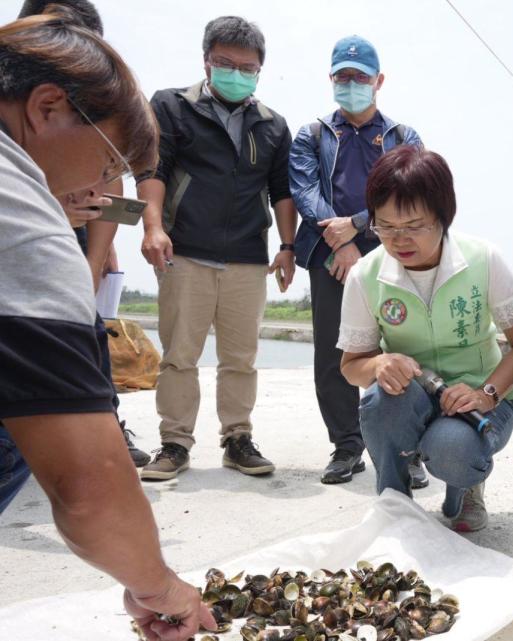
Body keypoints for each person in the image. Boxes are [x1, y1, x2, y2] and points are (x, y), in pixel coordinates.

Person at [0, 8, 214, 639]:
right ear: (47, 108)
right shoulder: (25, 219)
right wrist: (161, 587)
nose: (104, 186)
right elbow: (89, 494)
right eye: (107, 160)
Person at [338, 145, 513, 531]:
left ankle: (465, 489)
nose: (399, 240)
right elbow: (351, 368)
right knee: (380, 399)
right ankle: (394, 502)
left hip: (479, 402)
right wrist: (378, 363)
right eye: (386, 227)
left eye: (414, 226)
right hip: (412, 397)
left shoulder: (484, 258)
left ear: (443, 217)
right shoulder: (366, 274)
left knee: (453, 449)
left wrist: (486, 394)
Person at [138, 16, 297, 480]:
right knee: (179, 355)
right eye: (225, 63)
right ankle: (174, 443)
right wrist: (153, 227)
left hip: (248, 256)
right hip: (184, 250)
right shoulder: (170, 106)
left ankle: (237, 439)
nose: (235, 73)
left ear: (259, 70)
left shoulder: (271, 124)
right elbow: (154, 169)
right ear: (206, 61)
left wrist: (287, 246)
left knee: (241, 359)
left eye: (247, 67)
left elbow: (281, 190)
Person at [18, 0, 150, 468]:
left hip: (67, 247)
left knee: (84, 342)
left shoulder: (95, 105)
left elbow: (108, 182)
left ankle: (101, 432)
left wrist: (97, 258)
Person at [289, 35, 423, 486]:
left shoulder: (404, 137)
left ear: (378, 80)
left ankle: (411, 446)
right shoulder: (312, 134)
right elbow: (304, 191)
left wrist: (360, 226)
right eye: (342, 77)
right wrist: (340, 241)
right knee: (334, 352)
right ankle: (347, 445)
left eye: (360, 77)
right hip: (331, 259)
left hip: (395, 252)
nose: (351, 85)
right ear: (331, 80)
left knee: (405, 347)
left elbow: (412, 191)